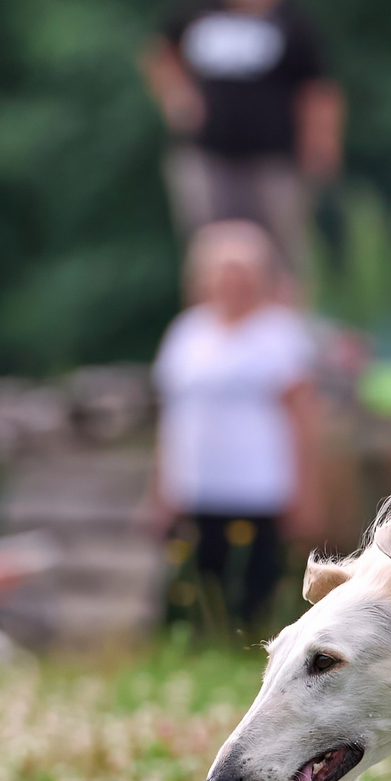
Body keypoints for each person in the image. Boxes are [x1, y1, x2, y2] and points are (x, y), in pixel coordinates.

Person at [140, 0, 343, 282]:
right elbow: (159, 52)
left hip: (274, 159)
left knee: (282, 256)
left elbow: (318, 89)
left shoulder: (292, 18)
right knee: (209, 253)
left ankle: (282, 332)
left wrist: (321, 146)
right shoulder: (197, 7)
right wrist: (177, 98)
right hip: (208, 155)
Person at [148, 222, 322, 634]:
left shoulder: (281, 335)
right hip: (194, 489)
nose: (232, 281)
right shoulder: (186, 332)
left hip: (259, 491)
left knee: (252, 602)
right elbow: (171, 417)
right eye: (222, 270)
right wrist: (158, 488)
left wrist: (308, 493)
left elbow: (303, 418)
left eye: (242, 271)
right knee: (191, 596)